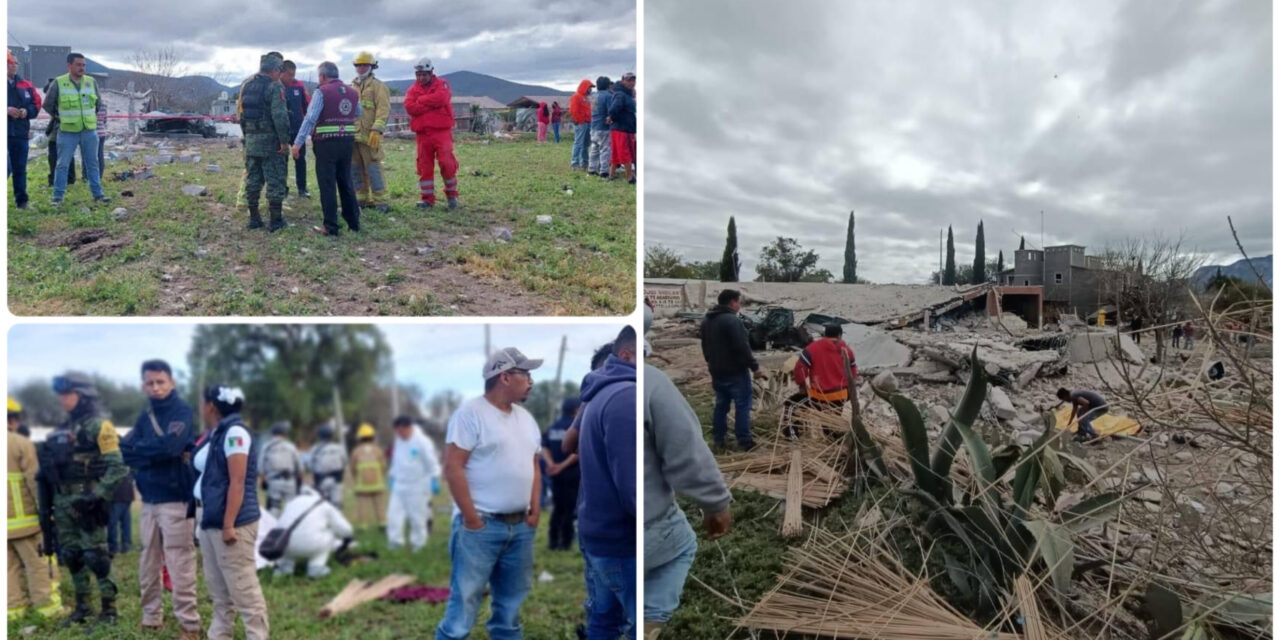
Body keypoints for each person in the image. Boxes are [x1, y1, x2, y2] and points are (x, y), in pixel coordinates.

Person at [436, 347, 544, 640]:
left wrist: (534, 510)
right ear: (505, 377)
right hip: (480, 527)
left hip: (520, 527)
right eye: (526, 374)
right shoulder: (471, 414)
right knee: (464, 603)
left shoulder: (526, 419)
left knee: (510, 604)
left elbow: (533, 464)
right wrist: (472, 519)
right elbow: (453, 467)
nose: (531, 381)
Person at [645, 310, 733, 637]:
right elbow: (685, 453)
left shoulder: (587, 394)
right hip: (643, 526)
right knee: (682, 546)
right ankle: (648, 623)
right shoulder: (651, 383)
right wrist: (716, 504)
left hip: (592, 529)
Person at [118, 359, 201, 639]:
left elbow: (171, 446)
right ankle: (151, 616)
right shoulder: (144, 417)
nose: (155, 387)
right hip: (149, 500)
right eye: (150, 383)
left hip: (176, 500)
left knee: (180, 563)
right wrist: (152, 451)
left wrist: (144, 451)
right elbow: (124, 450)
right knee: (148, 561)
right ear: (144, 385)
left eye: (160, 381)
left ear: (171, 382)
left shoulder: (182, 412)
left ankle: (189, 625)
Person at [38, 372, 128, 625]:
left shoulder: (100, 426)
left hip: (87, 500)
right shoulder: (61, 430)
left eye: (68, 394)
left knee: (95, 557)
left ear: (83, 396)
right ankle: (83, 607)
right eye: (61, 395)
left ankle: (109, 610)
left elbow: (118, 467)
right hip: (63, 500)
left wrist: (97, 496)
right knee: (71, 554)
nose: (63, 400)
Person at [578, 327, 639, 639]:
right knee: (640, 624)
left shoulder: (597, 395)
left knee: (604, 621)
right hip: (621, 542)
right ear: (627, 354)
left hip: (599, 534)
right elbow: (632, 490)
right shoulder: (625, 397)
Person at [196, 384, 268, 639]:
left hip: (231, 522)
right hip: (211, 520)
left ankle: (257, 635)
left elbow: (237, 481)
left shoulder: (235, 433)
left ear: (211, 406)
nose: (202, 408)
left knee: (244, 589)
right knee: (218, 590)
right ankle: (220, 635)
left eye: (203, 403)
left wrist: (228, 525)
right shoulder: (219, 433)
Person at [8, 397, 63, 620]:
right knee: (38, 564)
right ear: (13, 420)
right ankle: (47, 608)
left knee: (8, 568)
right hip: (26, 522)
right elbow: (35, 482)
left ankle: (14, 610)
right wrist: (47, 512)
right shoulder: (20, 443)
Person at [292, 61, 362, 236]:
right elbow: (358, 112)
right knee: (346, 181)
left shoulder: (321, 92)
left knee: (327, 184)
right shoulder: (353, 92)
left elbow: (310, 118)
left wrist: (298, 143)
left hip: (326, 144)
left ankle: (330, 226)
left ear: (322, 76)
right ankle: (354, 223)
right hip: (347, 142)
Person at [44, 53, 109, 206]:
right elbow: (48, 104)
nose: (82, 68)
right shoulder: (59, 83)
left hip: (89, 130)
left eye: (84, 65)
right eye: (78, 65)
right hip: (67, 131)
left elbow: (98, 103)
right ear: (69, 65)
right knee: (62, 164)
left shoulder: (91, 82)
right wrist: (61, 117)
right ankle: (57, 198)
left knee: (92, 163)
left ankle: (98, 195)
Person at [701, 289, 762, 450]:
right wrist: (754, 367)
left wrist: (711, 362)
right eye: (739, 302)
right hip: (735, 371)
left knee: (721, 406)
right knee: (742, 406)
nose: (740, 305)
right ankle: (745, 441)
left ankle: (719, 439)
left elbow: (705, 346)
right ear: (732, 302)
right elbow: (742, 346)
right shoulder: (732, 321)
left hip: (716, 370)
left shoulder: (707, 320)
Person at [238, 53, 292, 232]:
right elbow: (280, 116)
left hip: (252, 141)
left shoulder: (247, 85)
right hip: (271, 143)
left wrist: (248, 136)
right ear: (275, 70)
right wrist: (284, 141)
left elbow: (242, 115)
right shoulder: (274, 86)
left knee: (253, 180)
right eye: (280, 70)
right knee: (275, 179)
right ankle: (276, 220)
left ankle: (254, 219)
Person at [404, 57, 460, 210]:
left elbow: (441, 99)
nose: (421, 77)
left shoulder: (442, 84)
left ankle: (452, 196)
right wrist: (430, 105)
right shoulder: (412, 89)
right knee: (424, 166)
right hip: (422, 134)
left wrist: (420, 100)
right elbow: (410, 107)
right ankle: (427, 200)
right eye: (418, 74)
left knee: (447, 163)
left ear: (431, 73)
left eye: (424, 74)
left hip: (441, 132)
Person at [273, 486, 353, 579]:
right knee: (330, 534)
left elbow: (280, 523)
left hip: (283, 543)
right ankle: (316, 568)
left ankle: (284, 569)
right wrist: (348, 537)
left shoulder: (291, 503)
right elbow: (344, 528)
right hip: (311, 545)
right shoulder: (324, 505)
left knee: (289, 534)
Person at [387, 416, 440, 552]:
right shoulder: (398, 440)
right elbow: (396, 460)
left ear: (409, 427)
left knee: (417, 517)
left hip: (418, 485)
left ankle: (418, 543)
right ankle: (395, 542)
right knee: (393, 515)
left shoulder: (422, 442)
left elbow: (431, 462)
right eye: (397, 431)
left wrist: (434, 477)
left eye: (402, 431)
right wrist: (392, 475)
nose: (400, 434)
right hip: (400, 484)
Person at [351, 51, 391, 212]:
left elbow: (383, 110)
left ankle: (381, 202)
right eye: (358, 65)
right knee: (355, 168)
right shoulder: (352, 86)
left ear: (372, 66)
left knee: (373, 168)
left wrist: (377, 129)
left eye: (364, 65)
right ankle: (361, 200)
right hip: (354, 136)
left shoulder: (378, 86)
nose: (361, 68)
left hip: (370, 136)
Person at [540, 397, 581, 551]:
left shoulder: (553, 427)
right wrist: (562, 466)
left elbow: (544, 447)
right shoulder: (575, 427)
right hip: (571, 475)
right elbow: (578, 451)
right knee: (570, 510)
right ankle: (565, 543)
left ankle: (553, 541)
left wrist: (552, 465)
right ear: (576, 409)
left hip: (555, 475)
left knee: (557, 509)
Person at [793, 324, 857, 409]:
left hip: (818, 397)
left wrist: (802, 386)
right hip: (840, 396)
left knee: (793, 405)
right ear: (839, 335)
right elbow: (853, 373)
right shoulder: (847, 351)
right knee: (835, 416)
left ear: (825, 334)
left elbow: (800, 368)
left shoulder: (812, 348)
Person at [8, 51, 41, 210]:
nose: (13, 66)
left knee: (20, 168)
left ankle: (22, 201)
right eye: (9, 63)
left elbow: (36, 104)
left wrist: (27, 112)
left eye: (15, 63)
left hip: (20, 133)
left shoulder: (26, 84)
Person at [280, 60, 311, 199]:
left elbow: (307, 106)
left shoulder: (299, 85)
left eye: (294, 74)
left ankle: (302, 189)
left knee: (300, 160)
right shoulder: (276, 86)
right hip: (282, 131)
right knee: (282, 161)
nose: (291, 77)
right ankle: (283, 189)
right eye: (289, 74)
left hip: (298, 130)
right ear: (282, 73)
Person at [258, 421, 303, 516]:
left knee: (274, 510)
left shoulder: (267, 447)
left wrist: (263, 481)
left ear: (272, 434)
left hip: (274, 482)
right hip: (290, 482)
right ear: (285, 434)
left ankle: (274, 529)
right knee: (292, 510)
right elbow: (299, 467)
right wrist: (299, 482)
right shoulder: (291, 446)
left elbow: (261, 468)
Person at [350, 422, 387, 530]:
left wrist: (355, 478)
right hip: (377, 484)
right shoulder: (378, 450)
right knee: (379, 505)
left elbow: (352, 467)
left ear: (360, 438)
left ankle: (363, 527)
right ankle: (382, 524)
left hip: (362, 485)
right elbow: (383, 466)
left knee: (362, 506)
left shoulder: (356, 451)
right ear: (373, 437)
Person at [43, 77, 75, 191]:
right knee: (68, 155)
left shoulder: (58, 94)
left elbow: (47, 106)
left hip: (60, 131)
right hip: (67, 129)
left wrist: (57, 116)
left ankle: (54, 181)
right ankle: (70, 179)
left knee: (54, 157)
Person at [607, 72, 637, 184]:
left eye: (633, 80)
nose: (631, 82)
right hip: (621, 128)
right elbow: (613, 109)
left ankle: (611, 175)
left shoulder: (627, 94)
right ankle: (630, 177)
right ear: (623, 81)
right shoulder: (620, 94)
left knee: (616, 152)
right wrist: (612, 117)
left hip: (624, 128)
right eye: (628, 80)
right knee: (625, 152)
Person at [309, 423, 348, 508]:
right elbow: (345, 462)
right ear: (331, 436)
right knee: (337, 504)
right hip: (337, 479)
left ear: (319, 436)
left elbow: (310, 465)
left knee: (321, 504)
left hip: (321, 479)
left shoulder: (315, 449)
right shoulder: (339, 448)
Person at [587, 77, 613, 177]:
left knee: (594, 148)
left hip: (593, 125)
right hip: (604, 126)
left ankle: (591, 169)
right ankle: (604, 171)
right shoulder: (608, 96)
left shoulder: (593, 96)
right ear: (607, 85)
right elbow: (610, 111)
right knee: (605, 149)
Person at [568, 80, 593, 170]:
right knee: (578, 143)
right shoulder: (576, 96)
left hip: (587, 123)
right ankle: (575, 163)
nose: (591, 89)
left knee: (586, 144)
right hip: (581, 123)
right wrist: (580, 120)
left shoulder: (586, 98)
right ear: (585, 87)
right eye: (590, 87)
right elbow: (573, 110)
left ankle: (585, 162)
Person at [106, 473, 133, 554]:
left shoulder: (113, 464)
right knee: (125, 523)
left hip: (116, 497)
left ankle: (114, 546)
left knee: (113, 524)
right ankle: (125, 544)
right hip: (126, 496)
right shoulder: (126, 466)